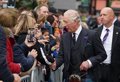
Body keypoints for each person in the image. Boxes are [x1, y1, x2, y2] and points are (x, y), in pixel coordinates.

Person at [50, 9, 107, 82]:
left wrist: (89, 62)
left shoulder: (92, 35)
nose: (64, 25)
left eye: (66, 22)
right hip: (68, 77)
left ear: (75, 22)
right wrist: (55, 64)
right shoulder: (65, 37)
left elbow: (102, 54)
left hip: (87, 76)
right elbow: (61, 55)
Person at [96, 7, 120, 82]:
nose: (101, 17)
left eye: (104, 15)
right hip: (97, 69)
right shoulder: (95, 32)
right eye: (100, 15)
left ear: (112, 17)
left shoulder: (118, 32)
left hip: (113, 71)